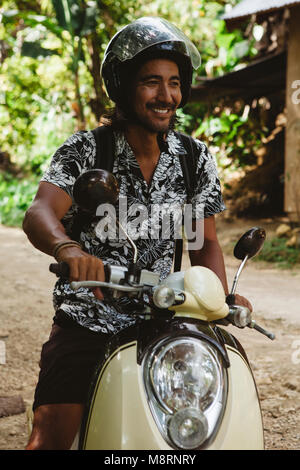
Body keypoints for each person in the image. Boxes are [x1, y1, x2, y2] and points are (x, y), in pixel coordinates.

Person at [23, 17, 251, 450]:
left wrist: (219, 298)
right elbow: (40, 212)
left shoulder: (194, 158)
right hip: (89, 318)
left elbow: (205, 245)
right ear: (124, 87)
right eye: (151, 82)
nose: (167, 96)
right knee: (49, 437)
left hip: (166, 319)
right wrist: (68, 248)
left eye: (175, 83)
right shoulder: (88, 150)